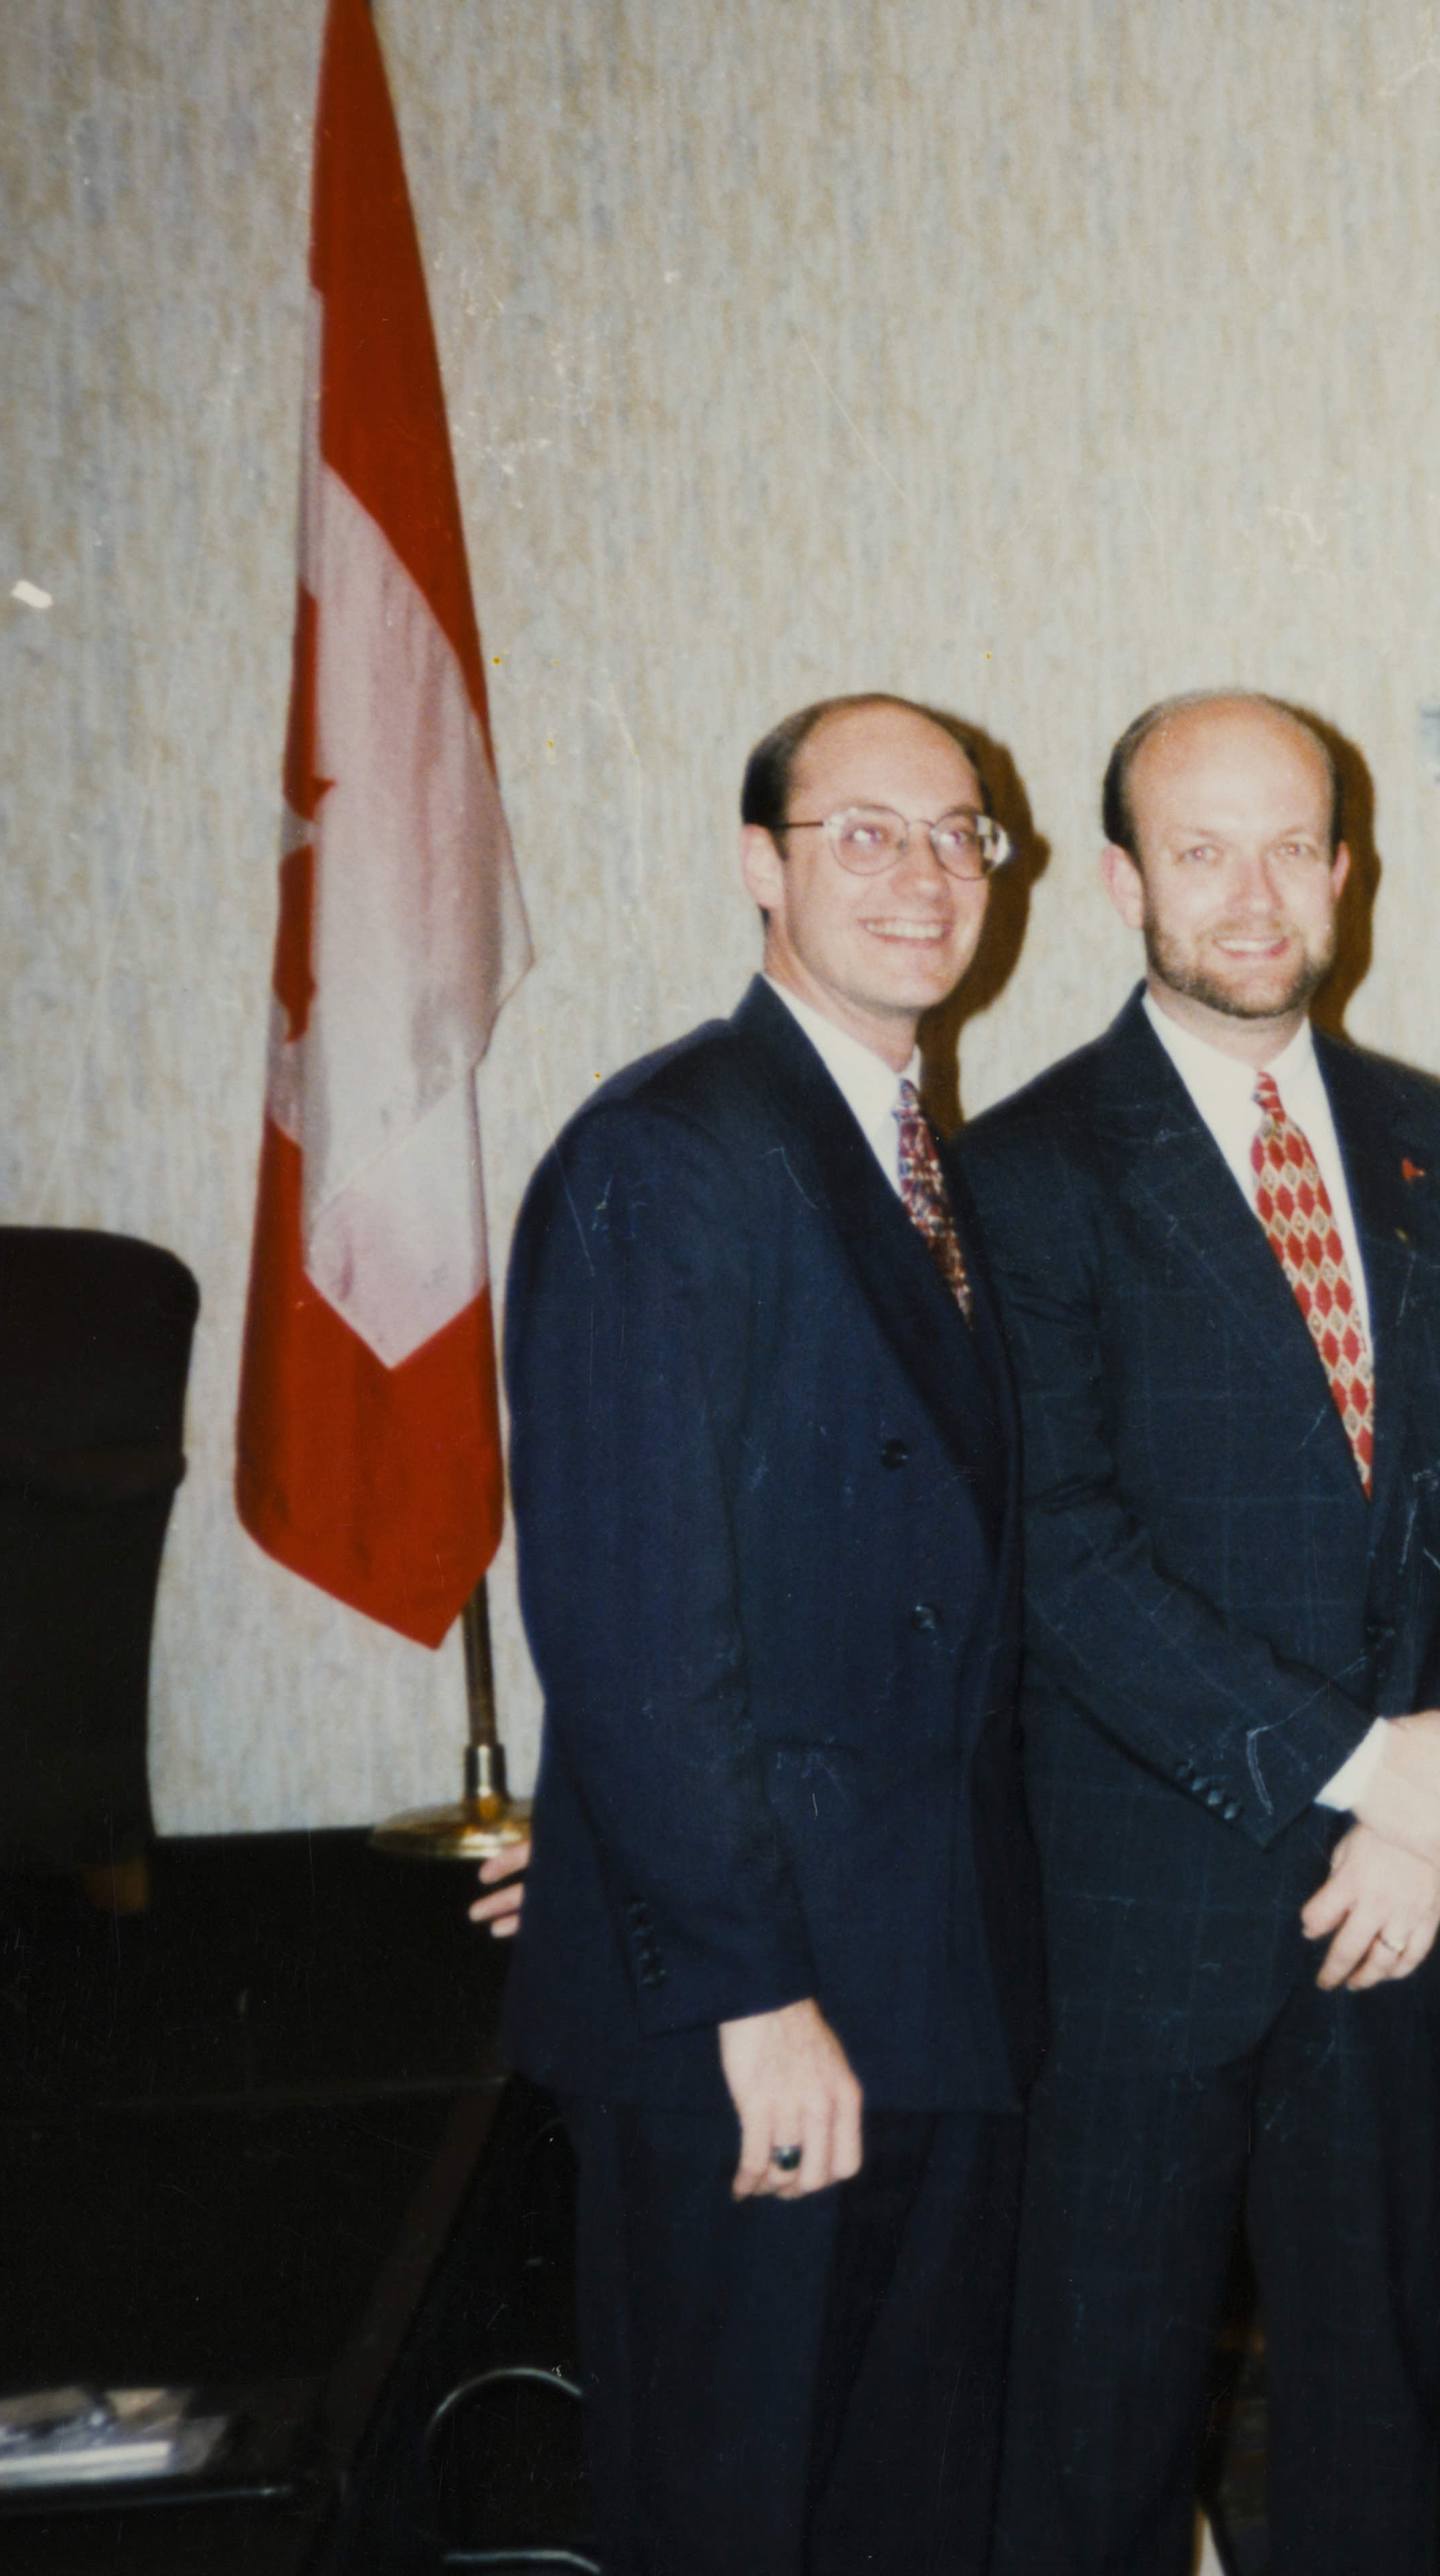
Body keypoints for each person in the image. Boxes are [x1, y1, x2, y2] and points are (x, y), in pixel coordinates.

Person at [964, 690, 1440, 2575]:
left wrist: (1428, 1789)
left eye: (1288, 844)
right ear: (1123, 880)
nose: (1251, 890)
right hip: (1149, 1916)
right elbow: (1061, 1553)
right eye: (1199, 850)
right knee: (1103, 2426)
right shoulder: (1029, 1170)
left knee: (1381, 2399)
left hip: (1410, 1895)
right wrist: (1361, 1766)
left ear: (1345, 871)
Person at [496, 692, 1045, 2574]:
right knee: (736, 2518)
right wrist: (747, 1986)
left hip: (925, 1976)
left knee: (896, 2510)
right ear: (762, 868)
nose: (921, 874)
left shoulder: (908, 1151)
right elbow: (631, 1618)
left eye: (956, 833)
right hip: (771, 2010)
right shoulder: (672, 1153)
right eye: (862, 833)